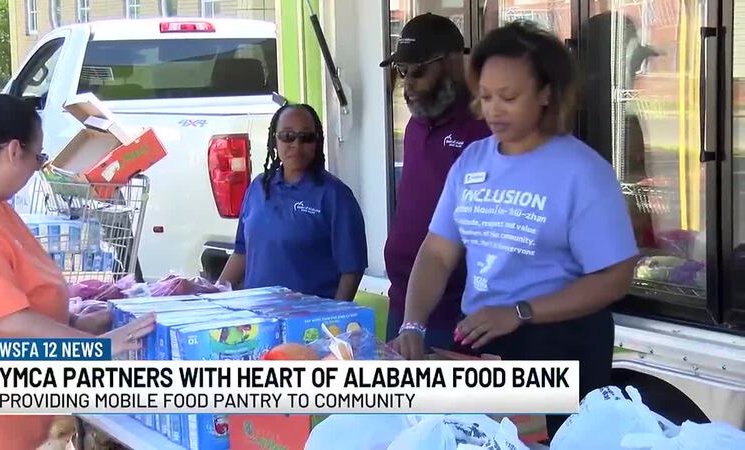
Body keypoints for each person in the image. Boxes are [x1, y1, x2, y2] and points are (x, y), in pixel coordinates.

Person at [391, 22, 639, 437]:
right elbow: (437, 252)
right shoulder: (472, 161)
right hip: (482, 341)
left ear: (546, 93)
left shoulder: (582, 171)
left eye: (509, 97)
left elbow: (615, 277)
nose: (493, 110)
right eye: (485, 96)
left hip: (560, 348)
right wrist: (412, 323)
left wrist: (520, 313)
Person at [0, 82, 156, 450]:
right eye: (38, 157)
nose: (37, 168)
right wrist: (97, 350)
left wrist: (74, 324)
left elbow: (18, 295)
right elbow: (2, 318)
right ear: (14, 151)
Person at [380, 13, 491, 348]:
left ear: (454, 64)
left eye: (418, 71)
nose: (407, 84)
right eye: (402, 72)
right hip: (403, 304)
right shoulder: (416, 126)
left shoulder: (484, 131)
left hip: (458, 315)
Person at [218, 103, 368, 301]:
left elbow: (352, 269)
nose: (296, 145)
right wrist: (214, 297)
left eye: (306, 137)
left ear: (317, 142)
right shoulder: (258, 188)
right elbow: (241, 253)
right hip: (257, 320)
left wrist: (335, 316)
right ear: (275, 140)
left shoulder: (335, 196)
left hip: (308, 326)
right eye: (288, 136)